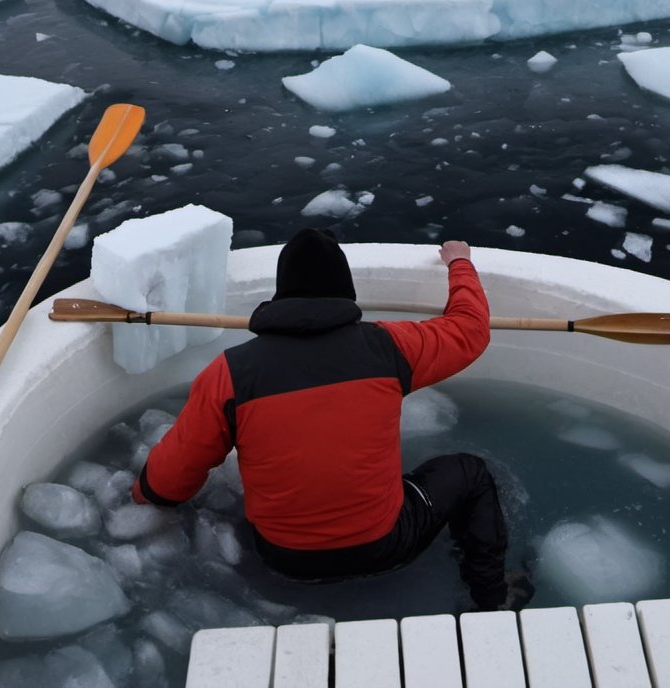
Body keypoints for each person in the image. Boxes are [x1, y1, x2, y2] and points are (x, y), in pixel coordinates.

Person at [131, 228, 532, 611]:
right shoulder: (387, 348)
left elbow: (174, 474)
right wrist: (459, 263)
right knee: (470, 473)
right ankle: (491, 595)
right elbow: (469, 331)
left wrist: (143, 497)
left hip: (282, 559)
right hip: (385, 545)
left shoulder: (230, 373)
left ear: (281, 292)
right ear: (346, 290)